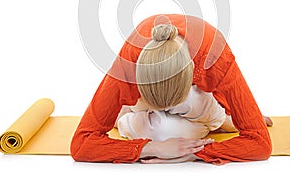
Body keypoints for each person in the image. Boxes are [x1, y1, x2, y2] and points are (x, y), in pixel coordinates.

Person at [70, 14, 272, 164]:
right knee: (162, 133)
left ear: (193, 73)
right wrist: (154, 147)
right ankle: (218, 121)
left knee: (188, 105)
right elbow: (81, 144)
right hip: (141, 105)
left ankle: (221, 119)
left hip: (197, 100)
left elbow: (261, 145)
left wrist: (192, 153)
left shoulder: (215, 55)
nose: (164, 109)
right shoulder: (130, 59)